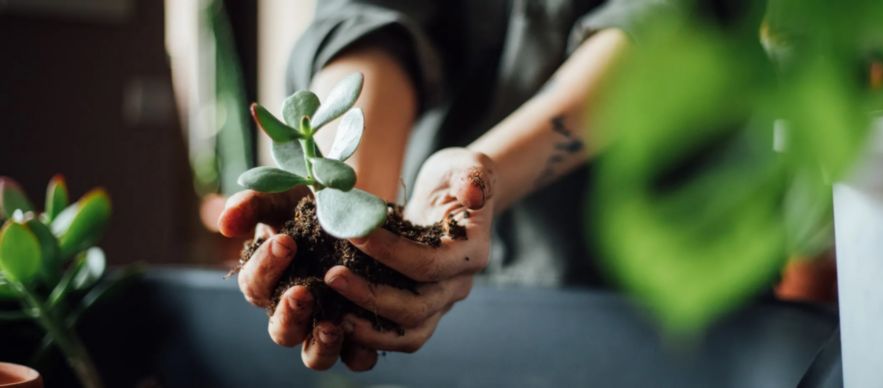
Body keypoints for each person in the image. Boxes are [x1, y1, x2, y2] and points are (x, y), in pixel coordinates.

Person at [218, 0, 657, 372]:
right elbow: (369, 15)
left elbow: (668, 27)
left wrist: (486, 175)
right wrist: (351, 199)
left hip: (639, 269)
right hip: (426, 214)